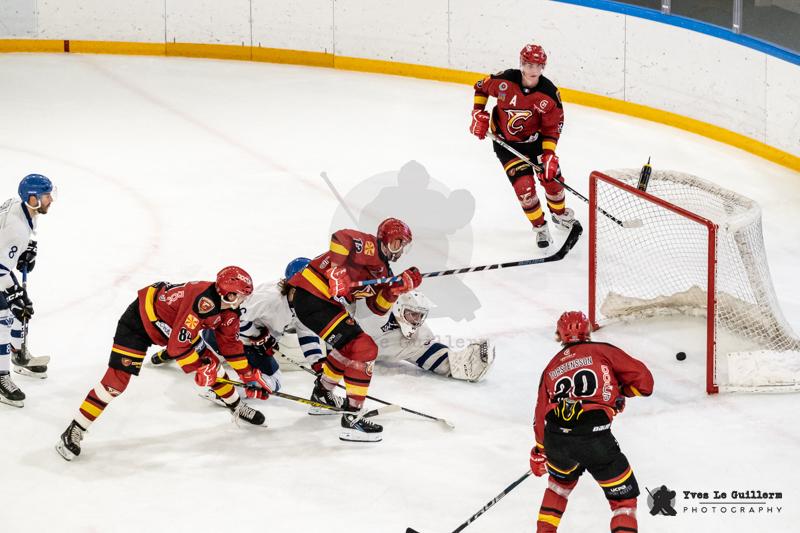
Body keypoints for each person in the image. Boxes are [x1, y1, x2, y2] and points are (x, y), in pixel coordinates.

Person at [56, 266, 268, 461]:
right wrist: (200, 368)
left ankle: (237, 406)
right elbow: (178, 347)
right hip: (140, 322)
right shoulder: (203, 302)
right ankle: (75, 429)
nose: (243, 300)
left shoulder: (230, 310)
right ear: (227, 293)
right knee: (115, 384)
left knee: (213, 366)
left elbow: (230, 344)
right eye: (240, 295)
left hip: (173, 328)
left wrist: (248, 373)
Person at [286, 218, 421, 442]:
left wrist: (394, 290)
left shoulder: (384, 271)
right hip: (312, 295)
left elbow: (377, 308)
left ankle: (322, 395)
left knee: (350, 348)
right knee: (365, 348)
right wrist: (336, 271)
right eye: (398, 243)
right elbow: (340, 238)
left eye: (404, 246)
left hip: (323, 303)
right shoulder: (369, 246)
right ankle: (352, 418)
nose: (400, 250)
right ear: (386, 239)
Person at [529, 311, 653, 532]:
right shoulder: (602, 350)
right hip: (594, 437)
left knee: (558, 487)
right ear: (588, 331)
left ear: (559, 335)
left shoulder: (551, 367)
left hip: (556, 438)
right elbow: (645, 383)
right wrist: (620, 392)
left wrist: (540, 450)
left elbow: (540, 413)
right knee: (623, 503)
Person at [469, 43, 574, 249]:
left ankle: (560, 215)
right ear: (521, 64)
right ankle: (540, 227)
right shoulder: (505, 81)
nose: (532, 69)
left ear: (543, 67)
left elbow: (552, 128)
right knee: (524, 189)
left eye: (537, 65)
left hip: (535, 144)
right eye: (528, 64)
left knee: (553, 182)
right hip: (506, 145)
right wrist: (477, 112)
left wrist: (549, 154)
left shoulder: (549, 94)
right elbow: (480, 87)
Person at [0, 174, 55, 407]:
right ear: (33, 198)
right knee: (3, 319)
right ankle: (1, 377)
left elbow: (29, 226)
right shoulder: (15, 230)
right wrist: (13, 295)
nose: (51, 200)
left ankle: (18, 353)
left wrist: (30, 246)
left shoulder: (23, 206)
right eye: (46, 196)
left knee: (21, 310)